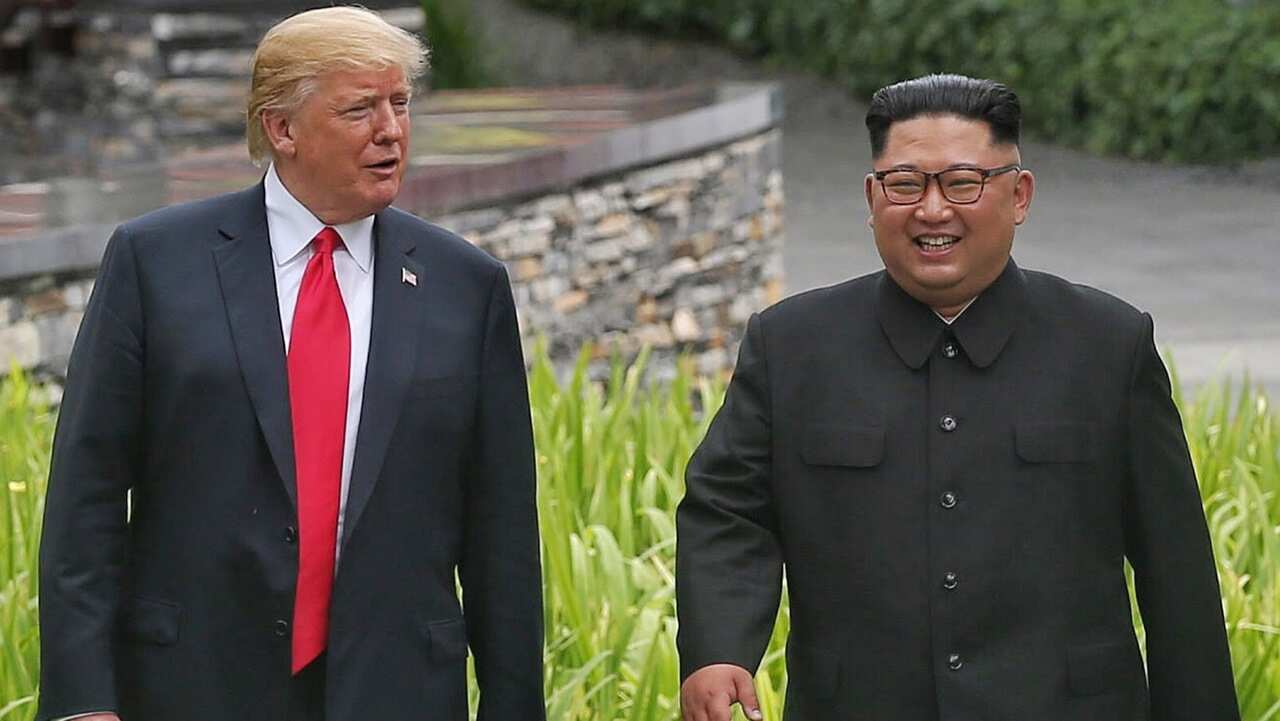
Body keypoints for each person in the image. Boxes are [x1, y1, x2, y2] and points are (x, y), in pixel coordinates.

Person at [675, 73, 1239, 721]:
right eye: (905, 184)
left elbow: (1176, 570)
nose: (933, 210)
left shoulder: (1108, 345)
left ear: (1019, 195)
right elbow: (726, 507)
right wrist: (716, 649)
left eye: (963, 183)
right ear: (872, 197)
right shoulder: (792, 346)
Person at [36, 7, 544, 721]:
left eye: (400, 103)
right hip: (193, 686)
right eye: (360, 109)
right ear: (281, 128)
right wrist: (82, 702)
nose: (391, 131)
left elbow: (502, 535)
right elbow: (85, 498)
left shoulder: (467, 286)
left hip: (396, 691)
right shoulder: (155, 263)